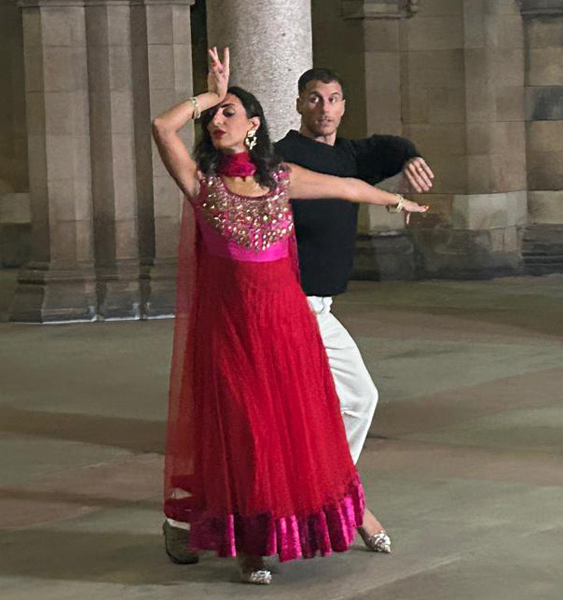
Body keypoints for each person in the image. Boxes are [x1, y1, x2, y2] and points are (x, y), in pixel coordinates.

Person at [153, 47, 428, 585]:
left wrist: (397, 205)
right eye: (213, 117)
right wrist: (210, 92)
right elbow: (164, 127)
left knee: (310, 423)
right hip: (232, 332)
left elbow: (347, 188)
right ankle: (252, 546)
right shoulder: (201, 185)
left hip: (287, 322)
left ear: (254, 125)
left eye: (230, 113)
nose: (217, 121)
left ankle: (347, 513)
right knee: (249, 433)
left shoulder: (280, 177)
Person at [275, 68, 435, 553]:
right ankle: (320, 502)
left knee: (360, 399)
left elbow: (388, 144)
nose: (326, 108)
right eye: (316, 99)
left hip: (321, 309)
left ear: (344, 106)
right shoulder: (282, 155)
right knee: (281, 416)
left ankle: (330, 489)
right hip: (284, 304)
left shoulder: (350, 156)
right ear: (300, 104)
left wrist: (411, 156)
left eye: (335, 99)